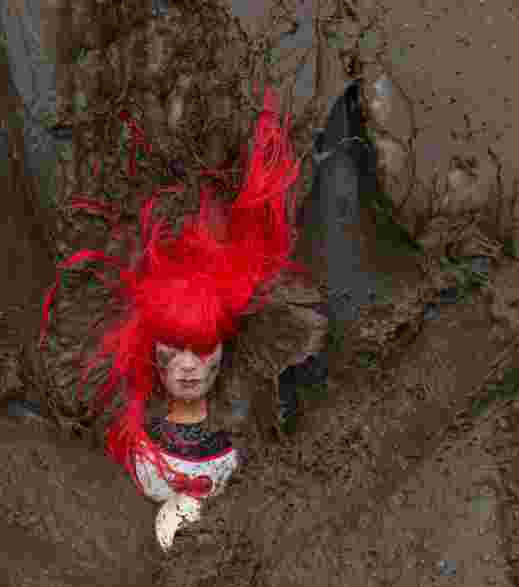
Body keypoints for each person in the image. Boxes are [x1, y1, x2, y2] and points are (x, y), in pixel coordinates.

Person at [38, 88, 327, 548]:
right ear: (149, 350)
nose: (188, 366)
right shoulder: (129, 428)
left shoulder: (246, 422)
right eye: (174, 349)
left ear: (226, 350)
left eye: (201, 348)